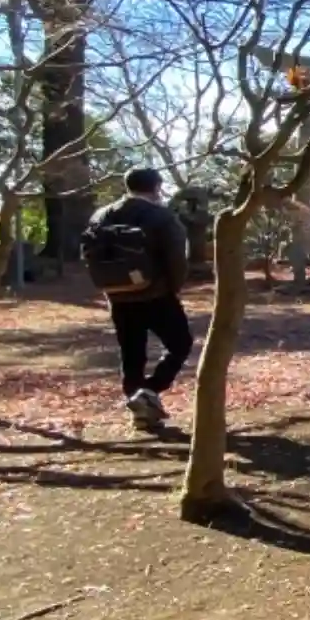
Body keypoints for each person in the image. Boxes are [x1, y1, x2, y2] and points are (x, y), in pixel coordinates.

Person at [82, 168, 193, 429]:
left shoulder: (100, 215)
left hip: (118, 296)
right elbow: (176, 257)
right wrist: (174, 287)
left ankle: (140, 411)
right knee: (180, 344)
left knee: (132, 355)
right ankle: (149, 391)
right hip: (156, 294)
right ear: (156, 187)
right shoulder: (161, 216)